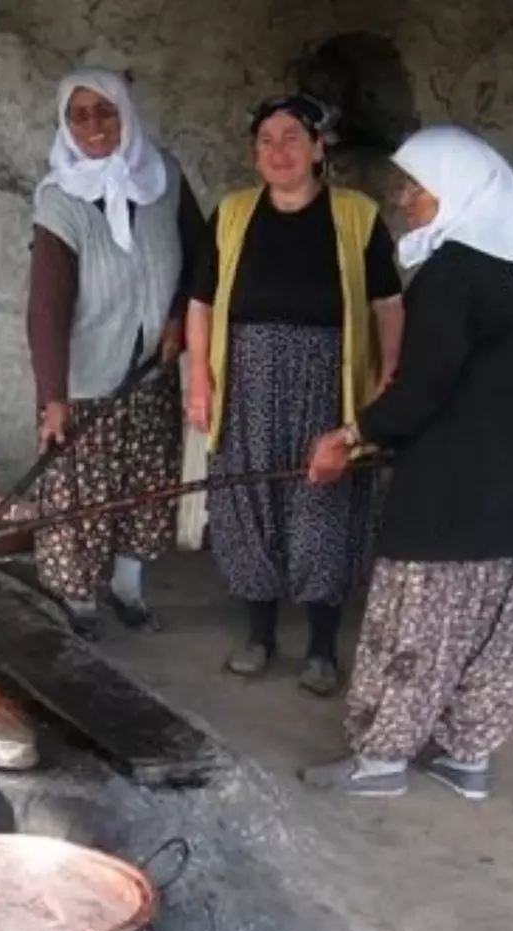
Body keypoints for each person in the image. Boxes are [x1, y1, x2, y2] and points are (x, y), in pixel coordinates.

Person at [302, 125, 513, 800]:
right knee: (493, 629)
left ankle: (380, 761)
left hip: (460, 489)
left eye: (414, 187)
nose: (402, 199)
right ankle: (467, 757)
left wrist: (352, 434)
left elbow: (423, 389)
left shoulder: (454, 273)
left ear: (457, 190)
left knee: (413, 625)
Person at [185, 94, 404, 696]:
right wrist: (200, 379)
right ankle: (259, 635)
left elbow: (387, 302)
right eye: (266, 141)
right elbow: (200, 303)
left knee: (322, 505)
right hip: (247, 382)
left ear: (316, 148)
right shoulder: (230, 215)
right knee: (248, 501)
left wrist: (389, 375)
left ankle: (321, 648)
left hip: (327, 382)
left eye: (290, 138)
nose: (277, 151)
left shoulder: (357, 215)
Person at [27, 68, 206, 640]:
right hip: (86, 377)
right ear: (65, 125)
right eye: (79, 115)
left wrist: (178, 316)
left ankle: (127, 589)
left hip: (153, 368)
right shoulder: (60, 200)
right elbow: (47, 308)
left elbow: (203, 257)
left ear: (125, 115)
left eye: (105, 112)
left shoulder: (165, 178)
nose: (94, 126)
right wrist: (53, 397)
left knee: (145, 484)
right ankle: (78, 601)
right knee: (82, 493)